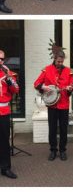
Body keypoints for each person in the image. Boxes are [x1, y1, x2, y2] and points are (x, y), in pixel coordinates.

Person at [34, 50, 73, 161]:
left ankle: (62, 151)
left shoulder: (68, 71)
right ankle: (53, 150)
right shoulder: (47, 70)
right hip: (52, 106)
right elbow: (36, 83)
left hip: (64, 105)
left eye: (62, 61)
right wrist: (43, 87)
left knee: (63, 129)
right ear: (54, 59)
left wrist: (70, 89)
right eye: (58, 61)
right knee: (52, 129)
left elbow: (71, 87)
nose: (60, 63)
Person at [0, 50, 19, 179]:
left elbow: (16, 89)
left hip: (3, 112)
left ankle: (5, 168)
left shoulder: (8, 73)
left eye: (2, 59)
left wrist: (9, 78)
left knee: (4, 141)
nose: (0, 61)